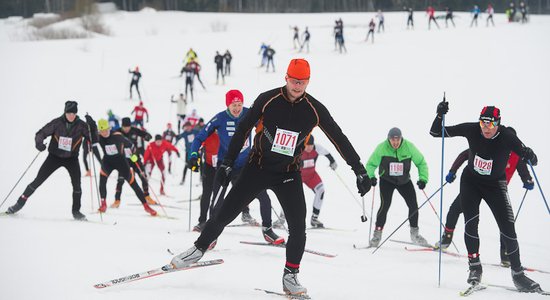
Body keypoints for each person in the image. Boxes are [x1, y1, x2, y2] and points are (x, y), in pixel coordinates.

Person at [169, 59, 372, 297]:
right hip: (258, 167)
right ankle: (198, 249)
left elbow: (339, 137)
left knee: (298, 227)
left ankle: (291, 276)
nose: (297, 86)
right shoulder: (268, 99)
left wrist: (359, 169)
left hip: (288, 173)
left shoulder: (314, 109)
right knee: (225, 212)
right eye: (294, 81)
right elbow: (244, 128)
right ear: (286, 78)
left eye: (302, 82)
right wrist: (227, 163)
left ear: (308, 81)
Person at [430, 102, 541, 292]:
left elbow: (532, 160)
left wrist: (530, 155)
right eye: (483, 123)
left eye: (490, 124)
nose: (486, 128)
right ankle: (474, 267)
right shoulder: (472, 129)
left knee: (507, 227)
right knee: (471, 223)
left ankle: (518, 274)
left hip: (495, 186)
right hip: (470, 182)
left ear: (498, 123)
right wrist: (439, 115)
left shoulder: (507, 136)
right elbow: (435, 132)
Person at [187, 90, 284, 242]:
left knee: (264, 197)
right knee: (218, 201)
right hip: (225, 165)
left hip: (246, 166)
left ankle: (268, 231)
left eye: (239, 104)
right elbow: (199, 138)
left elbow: (267, 129)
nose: (237, 108)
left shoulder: (249, 114)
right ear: (228, 104)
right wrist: (193, 156)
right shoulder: (220, 118)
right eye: (234, 105)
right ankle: (210, 236)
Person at [435, 130, 535, 267]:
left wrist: (528, 180)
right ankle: (446, 238)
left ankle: (505, 255)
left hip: (497, 191)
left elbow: (524, 171)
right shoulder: (489, 146)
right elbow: (464, 155)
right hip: (475, 186)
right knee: (455, 209)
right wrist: (453, 171)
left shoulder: (517, 156)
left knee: (505, 223)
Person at [6, 101, 100, 220]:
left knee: (77, 186)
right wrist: (39, 144)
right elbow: (41, 133)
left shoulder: (81, 125)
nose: (71, 115)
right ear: (65, 112)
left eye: (74, 113)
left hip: (72, 159)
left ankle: (76, 211)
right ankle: (19, 204)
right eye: (69, 113)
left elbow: (94, 140)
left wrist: (92, 126)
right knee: (38, 180)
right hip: (54, 157)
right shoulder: (57, 123)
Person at [365, 127, 429, 247]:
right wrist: (371, 177)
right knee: (384, 206)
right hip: (386, 181)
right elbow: (371, 164)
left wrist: (423, 179)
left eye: (397, 140)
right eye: (393, 140)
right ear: (389, 139)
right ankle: (377, 235)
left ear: (401, 139)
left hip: (404, 181)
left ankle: (415, 235)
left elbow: (421, 163)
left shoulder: (409, 147)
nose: (395, 143)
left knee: (413, 205)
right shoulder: (382, 148)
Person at [95, 119, 157, 216]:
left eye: (106, 130)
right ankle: (103, 204)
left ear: (109, 128)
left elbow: (132, 146)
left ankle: (146, 206)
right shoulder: (98, 137)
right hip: (108, 161)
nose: (104, 133)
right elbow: (88, 136)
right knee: (102, 180)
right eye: (102, 131)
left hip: (121, 161)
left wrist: (134, 155)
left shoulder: (117, 136)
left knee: (133, 183)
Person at [300, 135, 338, 228]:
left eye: (311, 145)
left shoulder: (317, 148)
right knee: (291, 195)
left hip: (311, 175)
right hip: (298, 176)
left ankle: (314, 219)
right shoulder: (298, 149)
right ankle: (282, 218)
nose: (309, 147)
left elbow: (327, 153)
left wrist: (332, 162)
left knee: (321, 191)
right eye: (307, 145)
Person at [193, 132, 220, 232]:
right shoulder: (208, 135)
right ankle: (202, 221)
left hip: (222, 168)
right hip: (209, 168)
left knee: (217, 196)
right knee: (206, 194)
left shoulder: (226, 134)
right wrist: (194, 159)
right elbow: (198, 146)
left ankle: (213, 221)